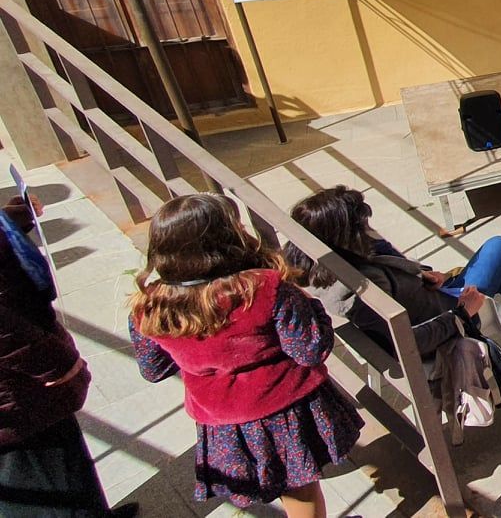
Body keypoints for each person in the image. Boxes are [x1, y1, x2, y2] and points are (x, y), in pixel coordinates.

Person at [129, 195, 363, 517]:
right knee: (301, 490)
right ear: (226, 237)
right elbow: (310, 350)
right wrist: (313, 308)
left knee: (277, 486)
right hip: (284, 410)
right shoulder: (264, 287)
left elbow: (153, 368)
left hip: (224, 424)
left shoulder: (148, 307)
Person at [287, 186, 501, 355]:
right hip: (451, 313)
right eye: (361, 226)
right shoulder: (357, 291)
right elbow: (409, 343)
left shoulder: (329, 261)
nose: (367, 229)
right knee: (499, 247)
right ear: (343, 235)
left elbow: (391, 263)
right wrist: (461, 314)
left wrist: (422, 273)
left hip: (436, 297)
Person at [0, 194, 135, 518]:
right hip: (18, 393)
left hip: (27, 390)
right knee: (42, 479)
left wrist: (13, 218)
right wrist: (60, 366)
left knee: (68, 461)